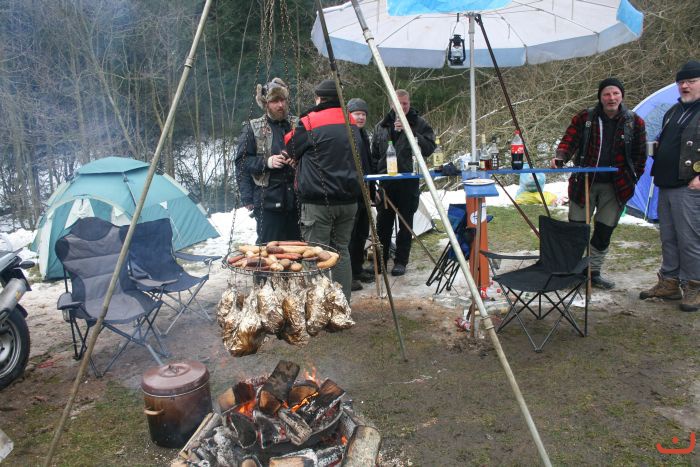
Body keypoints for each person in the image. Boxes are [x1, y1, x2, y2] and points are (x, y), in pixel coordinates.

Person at [551, 78, 646, 289]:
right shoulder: (585, 118)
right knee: (577, 230)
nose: (611, 98)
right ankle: (573, 272)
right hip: (584, 182)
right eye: (607, 94)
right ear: (600, 97)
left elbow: (640, 156)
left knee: (604, 231)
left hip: (616, 187)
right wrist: (560, 157)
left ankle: (592, 272)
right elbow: (569, 141)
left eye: (615, 93)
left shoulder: (634, 122)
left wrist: (632, 178)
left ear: (621, 96)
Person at [284, 79, 365, 301]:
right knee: (341, 252)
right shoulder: (350, 120)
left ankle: (318, 307)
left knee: (315, 254)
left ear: (319, 99)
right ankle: (342, 304)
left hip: (318, 203)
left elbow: (290, 147)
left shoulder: (310, 121)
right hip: (348, 201)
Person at [639, 60, 700, 312]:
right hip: (665, 183)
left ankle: (695, 285)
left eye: (691, 81)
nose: (685, 86)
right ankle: (670, 282)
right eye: (681, 82)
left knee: (690, 239)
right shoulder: (673, 111)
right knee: (668, 237)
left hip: (690, 185)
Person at [371, 89, 436, 276]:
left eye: (405, 103)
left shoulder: (420, 123)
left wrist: (410, 132)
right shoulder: (381, 126)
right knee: (383, 225)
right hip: (386, 182)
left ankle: (401, 261)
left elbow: (430, 148)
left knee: (406, 224)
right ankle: (380, 262)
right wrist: (374, 183)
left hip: (409, 182)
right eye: (398, 104)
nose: (402, 107)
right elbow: (374, 155)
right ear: (391, 104)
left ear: (409, 103)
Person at [236, 78, 300, 244]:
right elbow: (242, 162)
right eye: (275, 101)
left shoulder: (298, 124)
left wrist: (299, 162)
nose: (280, 105)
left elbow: (312, 155)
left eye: (283, 100)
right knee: (267, 249)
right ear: (265, 104)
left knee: (296, 250)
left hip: (296, 200)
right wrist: (267, 163)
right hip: (267, 201)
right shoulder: (253, 128)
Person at [346, 98, 376, 291]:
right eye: (357, 114)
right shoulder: (347, 134)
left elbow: (368, 166)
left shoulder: (363, 134)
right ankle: (348, 275)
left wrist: (373, 191)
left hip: (364, 192)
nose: (361, 117)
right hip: (351, 192)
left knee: (361, 234)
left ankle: (357, 269)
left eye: (363, 114)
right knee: (350, 235)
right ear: (349, 115)